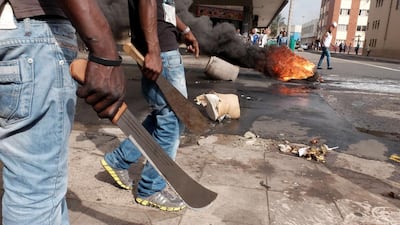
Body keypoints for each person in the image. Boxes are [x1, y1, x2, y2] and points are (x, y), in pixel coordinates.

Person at [0, 0, 126, 224]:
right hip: (31, 35)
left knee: (42, 194)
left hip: (15, 37)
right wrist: (105, 51)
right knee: (35, 193)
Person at [100, 0, 199, 212]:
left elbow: (165, 6)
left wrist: (185, 29)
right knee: (172, 122)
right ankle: (150, 188)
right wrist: (154, 50)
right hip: (161, 51)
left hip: (161, 48)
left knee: (160, 118)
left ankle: (118, 160)